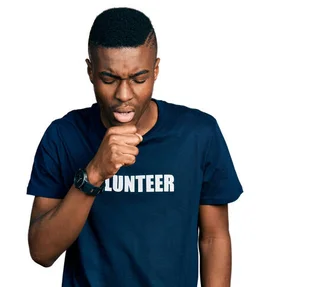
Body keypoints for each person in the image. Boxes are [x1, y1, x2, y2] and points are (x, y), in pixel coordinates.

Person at [26, 7, 243, 287]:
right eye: (109, 79)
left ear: (155, 70)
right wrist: (93, 174)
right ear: (91, 71)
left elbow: (214, 237)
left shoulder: (198, 134)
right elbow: (42, 252)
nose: (124, 95)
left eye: (139, 79)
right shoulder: (63, 136)